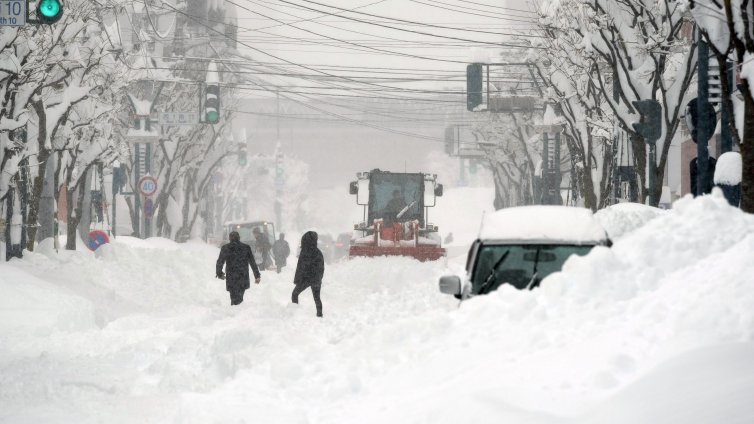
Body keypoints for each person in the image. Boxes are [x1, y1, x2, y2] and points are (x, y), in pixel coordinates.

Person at [216, 231, 261, 305]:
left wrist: (219, 273)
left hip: (231, 277)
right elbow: (252, 263)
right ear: (239, 238)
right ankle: (238, 309)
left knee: (233, 296)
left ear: (229, 238)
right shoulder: (246, 248)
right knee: (240, 295)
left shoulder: (225, 248)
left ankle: (235, 308)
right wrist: (257, 275)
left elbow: (220, 262)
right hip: (242, 276)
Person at [292, 231, 325, 317]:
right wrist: (318, 279)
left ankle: (294, 313)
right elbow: (321, 269)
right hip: (315, 279)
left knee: (295, 294)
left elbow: (300, 268)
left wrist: (298, 279)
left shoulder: (305, 252)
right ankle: (319, 315)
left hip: (305, 279)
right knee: (317, 298)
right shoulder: (318, 253)